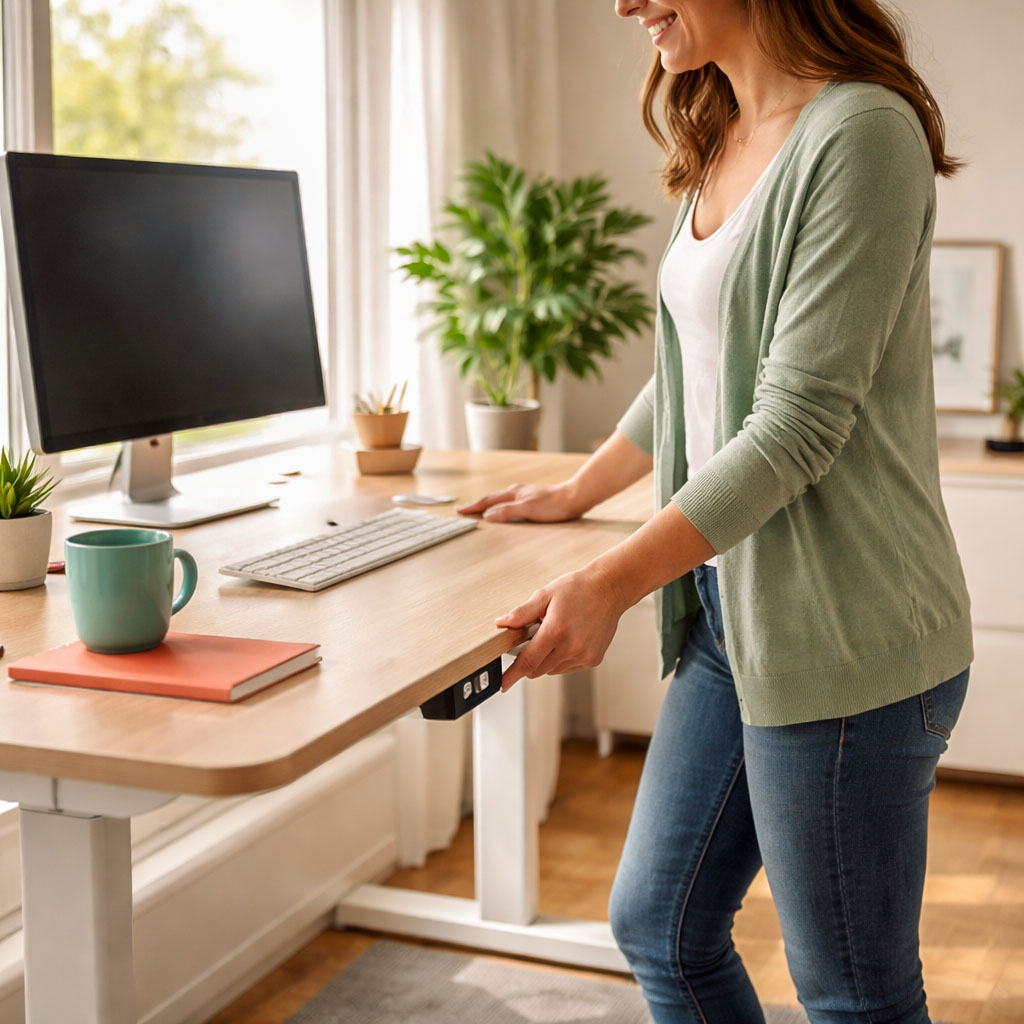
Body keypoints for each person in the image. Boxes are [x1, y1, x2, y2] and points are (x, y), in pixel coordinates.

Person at [456, 1, 973, 1022]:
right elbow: (694, 367)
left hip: (844, 632)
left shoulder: (862, 131)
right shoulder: (719, 132)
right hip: (727, 614)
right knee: (660, 925)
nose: (623, 5)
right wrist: (574, 494)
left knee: (852, 996)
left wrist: (606, 581)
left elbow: (792, 424)